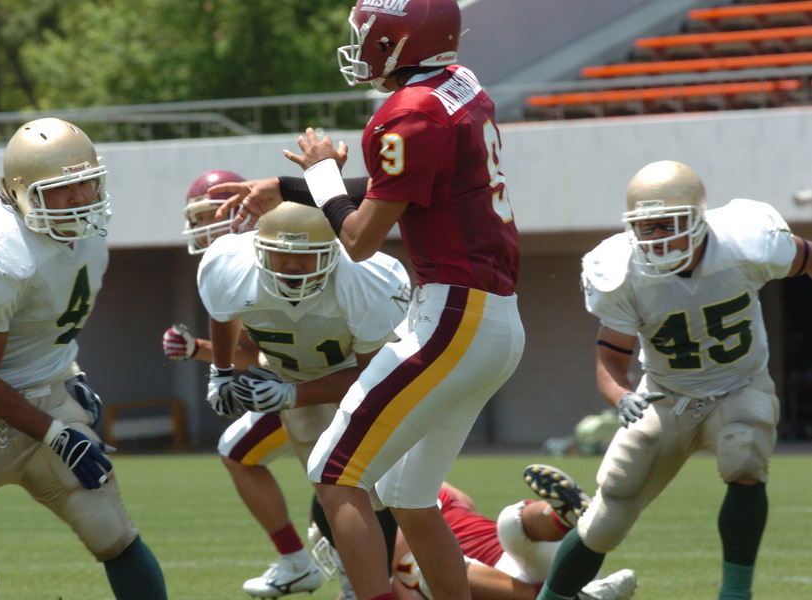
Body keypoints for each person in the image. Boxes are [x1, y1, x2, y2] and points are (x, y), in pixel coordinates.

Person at [212, 2, 524, 600]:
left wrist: (322, 176)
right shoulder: (460, 87)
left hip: (453, 318)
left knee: (332, 472)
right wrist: (292, 187)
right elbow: (403, 188)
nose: (360, 47)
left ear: (394, 40)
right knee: (408, 496)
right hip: (494, 321)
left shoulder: (406, 112)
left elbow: (358, 240)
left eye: (367, 36)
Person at [0, 118, 167, 599]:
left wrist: (70, 374)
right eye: (60, 189)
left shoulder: (88, 231)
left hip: (48, 397)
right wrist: (56, 433)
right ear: (18, 192)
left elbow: (45, 330)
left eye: (86, 182)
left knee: (112, 533)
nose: (80, 198)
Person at [535, 160, 812, 600]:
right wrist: (621, 396)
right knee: (606, 516)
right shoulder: (622, 271)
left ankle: (734, 594)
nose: (657, 238)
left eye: (669, 224)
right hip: (665, 396)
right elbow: (611, 359)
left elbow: (808, 258)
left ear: (698, 220)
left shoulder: (746, 242)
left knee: (744, 456)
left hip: (739, 385)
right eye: (646, 227)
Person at [198, 201, 411, 598]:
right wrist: (221, 371)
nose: (293, 267)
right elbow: (224, 313)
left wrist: (293, 394)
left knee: (371, 493)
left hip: (356, 380)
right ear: (259, 251)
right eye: (281, 255)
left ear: (333, 253)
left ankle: (378, 582)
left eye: (307, 256)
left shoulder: (362, 277)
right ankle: (329, 573)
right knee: (326, 485)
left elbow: (376, 377)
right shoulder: (230, 265)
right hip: (289, 375)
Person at [163, 170, 324, 598]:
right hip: (299, 378)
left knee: (349, 482)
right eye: (196, 219)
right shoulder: (236, 263)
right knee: (246, 453)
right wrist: (199, 350)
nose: (200, 227)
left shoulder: (266, 258)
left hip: (323, 380)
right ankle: (304, 562)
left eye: (206, 216)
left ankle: (344, 572)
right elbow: (251, 352)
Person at [385, 464, 635, 600]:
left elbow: (398, 552)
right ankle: (571, 591)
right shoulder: (410, 488)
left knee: (508, 521)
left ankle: (564, 516)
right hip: (535, 573)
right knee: (419, 567)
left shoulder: (399, 491)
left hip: (550, 560)